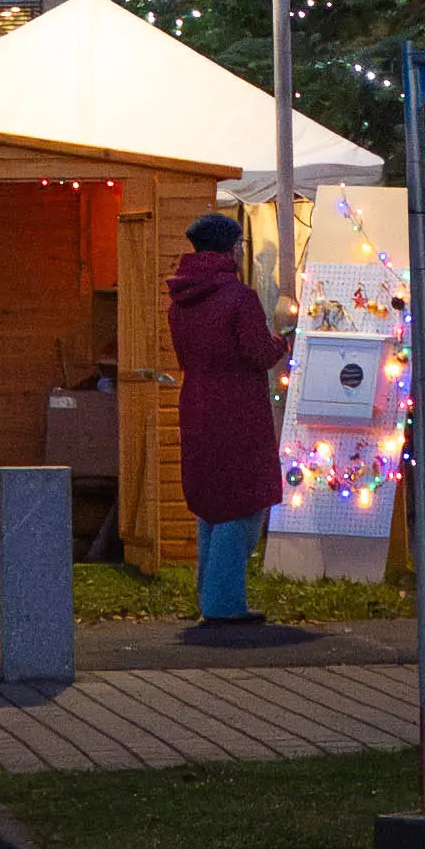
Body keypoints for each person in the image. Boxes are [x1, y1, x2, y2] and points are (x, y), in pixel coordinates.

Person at [164, 212, 291, 629]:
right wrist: (284, 340)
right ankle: (222, 602)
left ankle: (210, 595)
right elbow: (257, 353)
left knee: (212, 503)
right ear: (227, 248)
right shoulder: (239, 297)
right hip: (237, 406)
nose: (241, 249)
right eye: (237, 243)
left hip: (196, 402)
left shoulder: (181, 299)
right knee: (244, 501)